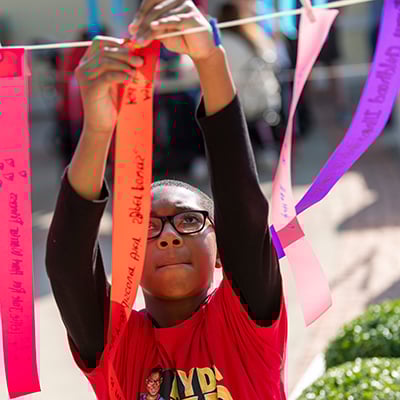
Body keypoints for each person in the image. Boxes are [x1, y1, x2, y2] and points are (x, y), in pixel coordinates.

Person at [45, 1, 287, 399]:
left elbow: (241, 204)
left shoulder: (245, 322)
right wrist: (98, 128)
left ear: (222, 249)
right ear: (128, 259)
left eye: (190, 221)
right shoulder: (115, 344)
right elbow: (68, 264)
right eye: (147, 229)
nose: (169, 237)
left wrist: (209, 59)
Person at [218, 1, 283, 170]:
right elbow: (274, 59)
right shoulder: (254, 36)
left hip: (238, 101)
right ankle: (265, 151)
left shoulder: (222, 43)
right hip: (260, 98)